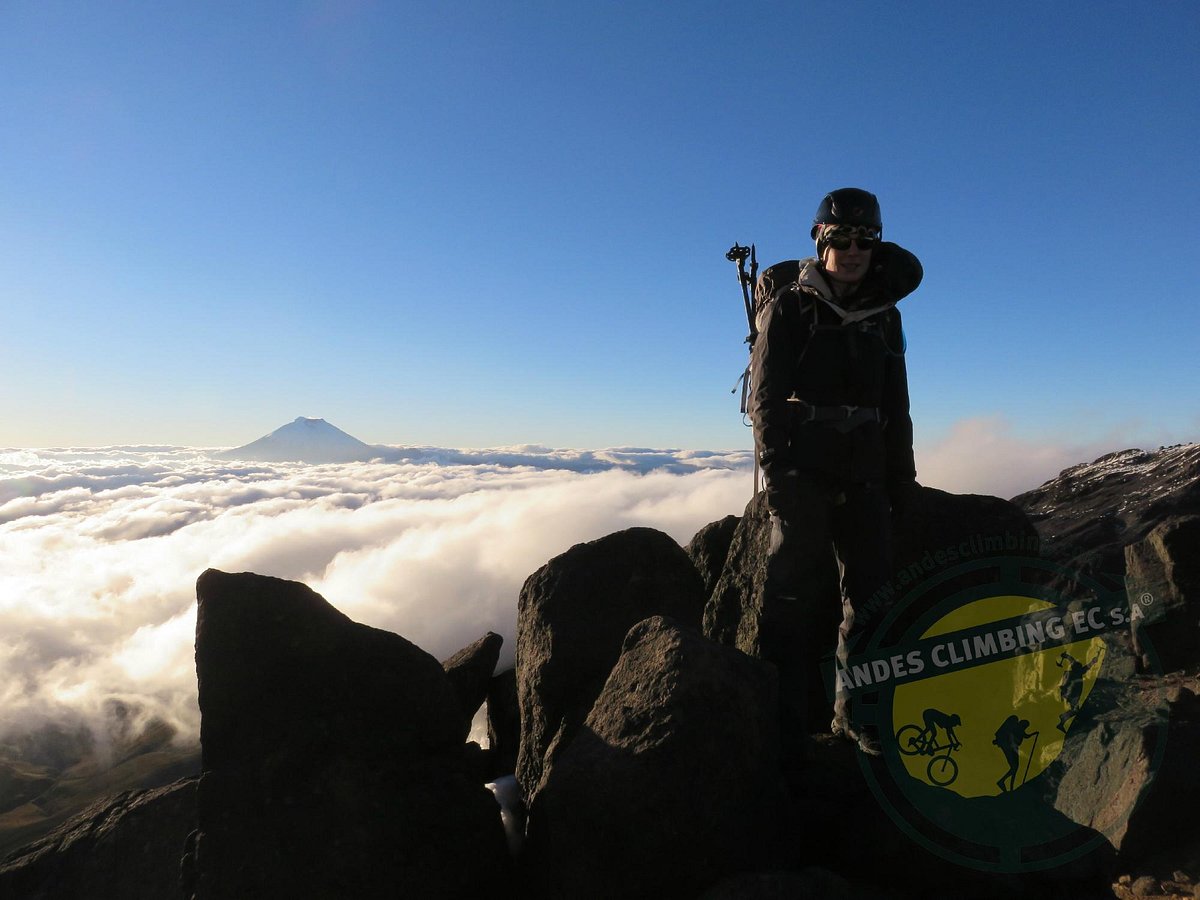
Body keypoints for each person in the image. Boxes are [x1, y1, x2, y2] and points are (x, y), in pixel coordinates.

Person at [750, 187, 923, 756]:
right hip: (804, 474)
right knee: (791, 598)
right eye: (839, 238)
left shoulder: (885, 316)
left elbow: (896, 407)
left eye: (863, 240)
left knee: (870, 598)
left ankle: (857, 715)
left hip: (866, 473)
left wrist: (903, 480)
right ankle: (780, 720)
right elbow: (768, 402)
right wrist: (779, 480)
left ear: (877, 244)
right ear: (820, 241)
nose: (851, 250)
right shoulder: (791, 307)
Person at [993, 714, 1035, 792]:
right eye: (1025, 726)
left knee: (1015, 768)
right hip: (1010, 749)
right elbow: (1011, 736)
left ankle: (1007, 784)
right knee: (1014, 767)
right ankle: (1005, 784)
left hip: (1014, 749)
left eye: (1026, 727)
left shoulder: (1020, 730)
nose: (1025, 728)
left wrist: (1034, 734)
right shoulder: (1015, 729)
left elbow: (1026, 736)